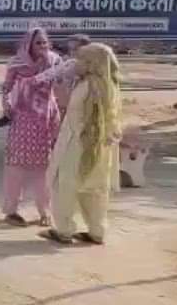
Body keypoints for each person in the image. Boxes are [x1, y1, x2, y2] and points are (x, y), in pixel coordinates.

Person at [41, 44, 122, 245]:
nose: (76, 62)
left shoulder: (87, 86)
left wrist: (62, 78)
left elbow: (73, 111)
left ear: (92, 64)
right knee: (94, 189)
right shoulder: (110, 85)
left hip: (78, 143)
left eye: (81, 59)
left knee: (65, 185)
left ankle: (64, 230)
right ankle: (97, 231)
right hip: (101, 145)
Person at [0, 28, 63, 227]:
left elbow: (63, 81)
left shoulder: (55, 62)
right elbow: (6, 89)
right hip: (23, 120)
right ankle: (11, 211)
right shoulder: (18, 63)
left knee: (43, 167)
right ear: (28, 45)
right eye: (38, 43)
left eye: (45, 42)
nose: (43, 47)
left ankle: (45, 211)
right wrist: (7, 106)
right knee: (16, 166)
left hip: (46, 118)